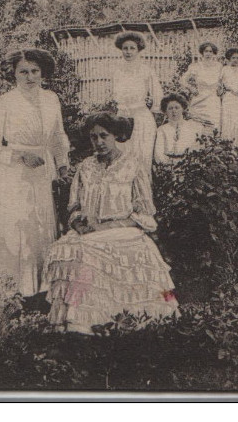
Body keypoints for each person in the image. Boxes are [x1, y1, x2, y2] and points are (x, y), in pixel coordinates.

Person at [45, 113, 178, 334]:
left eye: (104, 136)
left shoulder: (133, 166)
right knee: (66, 249)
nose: (99, 142)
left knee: (90, 251)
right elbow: (74, 207)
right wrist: (79, 224)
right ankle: (80, 322)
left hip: (124, 231)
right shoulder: (85, 168)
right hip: (89, 232)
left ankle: (126, 320)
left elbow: (144, 213)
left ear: (117, 135)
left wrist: (106, 227)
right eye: (93, 137)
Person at [0, 48, 71, 296]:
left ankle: (42, 286)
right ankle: (11, 288)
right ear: (14, 74)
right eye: (23, 72)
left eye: (35, 71)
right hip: (13, 175)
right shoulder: (2, 103)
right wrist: (20, 156)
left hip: (44, 171)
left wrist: (62, 165)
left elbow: (58, 137)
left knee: (43, 224)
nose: (30, 77)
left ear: (42, 73)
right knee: (19, 225)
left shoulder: (51, 98)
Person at [109, 31, 163, 169]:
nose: (128, 52)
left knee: (141, 159)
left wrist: (154, 113)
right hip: (122, 119)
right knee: (123, 159)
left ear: (138, 49)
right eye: (125, 48)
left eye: (132, 48)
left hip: (141, 119)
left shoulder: (146, 70)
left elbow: (157, 95)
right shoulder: (116, 71)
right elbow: (113, 96)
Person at [180, 42, 222, 134]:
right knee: (197, 124)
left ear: (213, 53)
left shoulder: (219, 66)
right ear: (202, 53)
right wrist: (191, 88)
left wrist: (220, 89)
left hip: (213, 99)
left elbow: (223, 81)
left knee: (213, 124)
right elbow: (183, 79)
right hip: (200, 98)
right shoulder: (196, 66)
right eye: (206, 51)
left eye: (210, 51)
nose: (208, 54)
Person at [154, 93, 205, 164]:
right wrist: (169, 165)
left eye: (177, 107)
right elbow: (158, 154)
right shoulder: (162, 129)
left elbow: (197, 148)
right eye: (170, 108)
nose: (174, 111)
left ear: (183, 109)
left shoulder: (193, 126)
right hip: (168, 167)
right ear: (165, 111)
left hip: (188, 165)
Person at [219, 47, 238, 144]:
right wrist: (228, 90)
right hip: (229, 98)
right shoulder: (224, 69)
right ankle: (227, 145)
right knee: (228, 120)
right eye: (233, 58)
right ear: (229, 59)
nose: (235, 60)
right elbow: (219, 84)